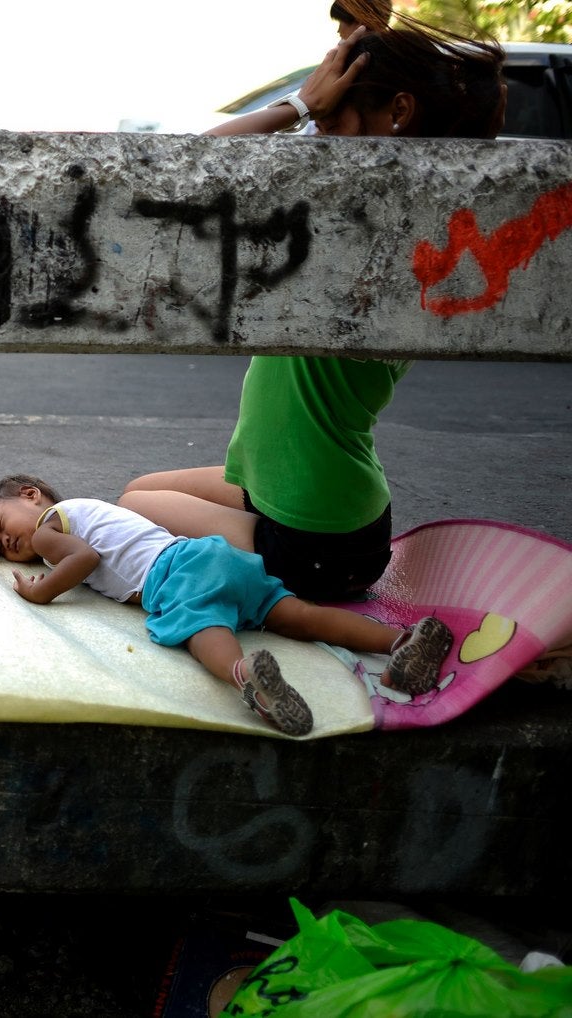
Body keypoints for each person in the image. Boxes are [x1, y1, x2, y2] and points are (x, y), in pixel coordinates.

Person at [124, 18, 506, 600]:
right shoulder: (412, 230)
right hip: (324, 509)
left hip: (315, 542)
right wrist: (316, 112)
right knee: (142, 486)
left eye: (331, 125)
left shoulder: (362, 236)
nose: (318, 142)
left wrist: (297, 106)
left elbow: (179, 173)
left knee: (131, 506)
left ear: (398, 113)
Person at [0, 475, 455, 737]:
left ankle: (247, 678)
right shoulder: (89, 508)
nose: (5, 540)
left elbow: (83, 560)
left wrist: (38, 591)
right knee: (298, 616)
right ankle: (403, 642)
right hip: (217, 556)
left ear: (30, 496)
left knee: (202, 630)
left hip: (174, 574)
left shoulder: (51, 527)